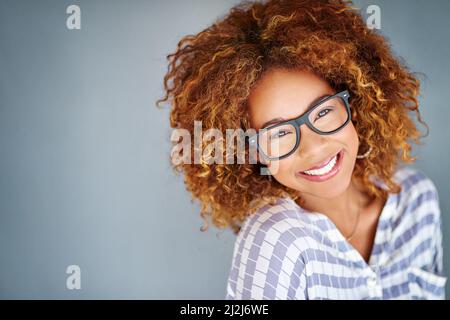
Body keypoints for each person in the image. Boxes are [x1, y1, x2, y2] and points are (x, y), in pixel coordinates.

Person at [156, 0, 446, 299]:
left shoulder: (417, 200)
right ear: (255, 153)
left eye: (322, 112)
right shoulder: (277, 240)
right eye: (278, 132)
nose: (313, 146)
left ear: (353, 106)